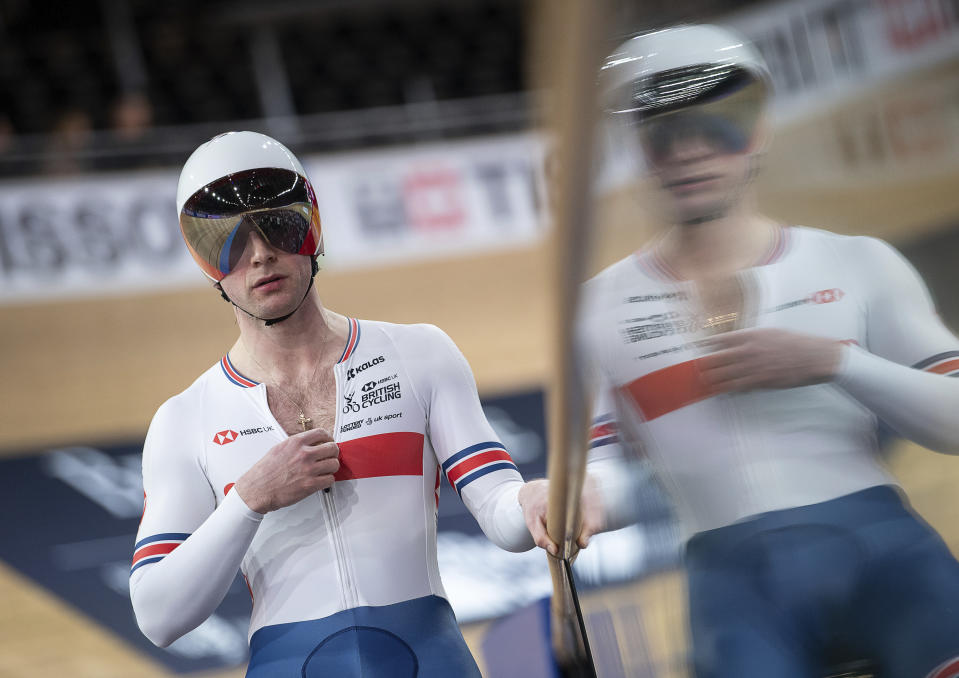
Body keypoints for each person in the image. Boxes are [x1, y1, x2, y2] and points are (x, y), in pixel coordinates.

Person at [519, 24, 959, 678]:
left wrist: (833, 362)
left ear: (758, 130)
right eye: (663, 134)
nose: (690, 152)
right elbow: (602, 477)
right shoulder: (592, 309)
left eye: (718, 126)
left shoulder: (858, 261)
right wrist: (565, 497)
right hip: (738, 592)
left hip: (889, 564)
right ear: (635, 148)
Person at [130, 131, 535, 677]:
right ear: (207, 264)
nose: (260, 254)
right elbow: (158, 614)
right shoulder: (183, 421)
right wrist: (249, 499)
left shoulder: (419, 355)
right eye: (228, 241)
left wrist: (536, 503)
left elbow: (503, 516)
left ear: (312, 229)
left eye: (276, 225)